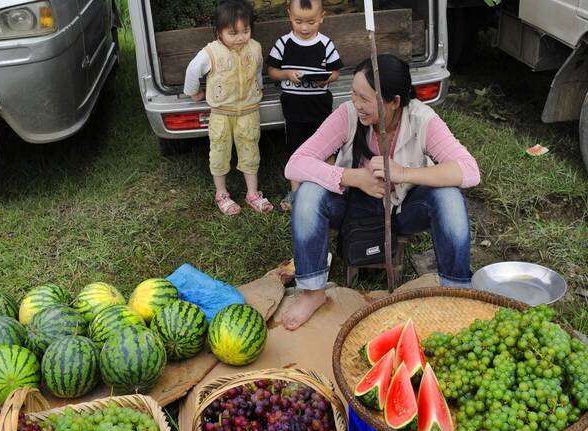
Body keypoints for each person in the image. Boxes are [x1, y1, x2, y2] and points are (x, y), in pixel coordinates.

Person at [281, 54, 481, 330]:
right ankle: (313, 291)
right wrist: (354, 177)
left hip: (401, 209)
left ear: (394, 102)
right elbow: (295, 165)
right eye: (354, 94)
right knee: (308, 193)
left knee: (449, 195)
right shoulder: (348, 115)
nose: (356, 104)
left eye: (365, 99)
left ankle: (457, 290)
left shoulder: (421, 119)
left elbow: (470, 171)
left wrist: (404, 174)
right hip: (348, 207)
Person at [183, 0, 273, 216]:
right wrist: (193, 93)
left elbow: (257, 70)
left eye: (246, 31)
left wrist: (259, 87)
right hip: (221, 114)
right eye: (233, 33)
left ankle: (253, 193)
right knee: (220, 153)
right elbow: (192, 71)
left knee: (250, 150)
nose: (240, 37)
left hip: (249, 111)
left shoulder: (255, 47)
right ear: (218, 32)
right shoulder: (211, 52)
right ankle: (221, 193)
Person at [266, 0, 343, 212]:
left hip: (319, 105)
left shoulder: (325, 44)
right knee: (296, 149)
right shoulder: (283, 43)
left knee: (327, 147)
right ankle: (296, 193)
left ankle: (330, 188)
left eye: (311, 22)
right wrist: (286, 74)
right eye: (298, 21)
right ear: (289, 15)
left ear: (321, 17)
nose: (304, 27)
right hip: (293, 106)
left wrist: (326, 79)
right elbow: (272, 70)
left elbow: (335, 72)